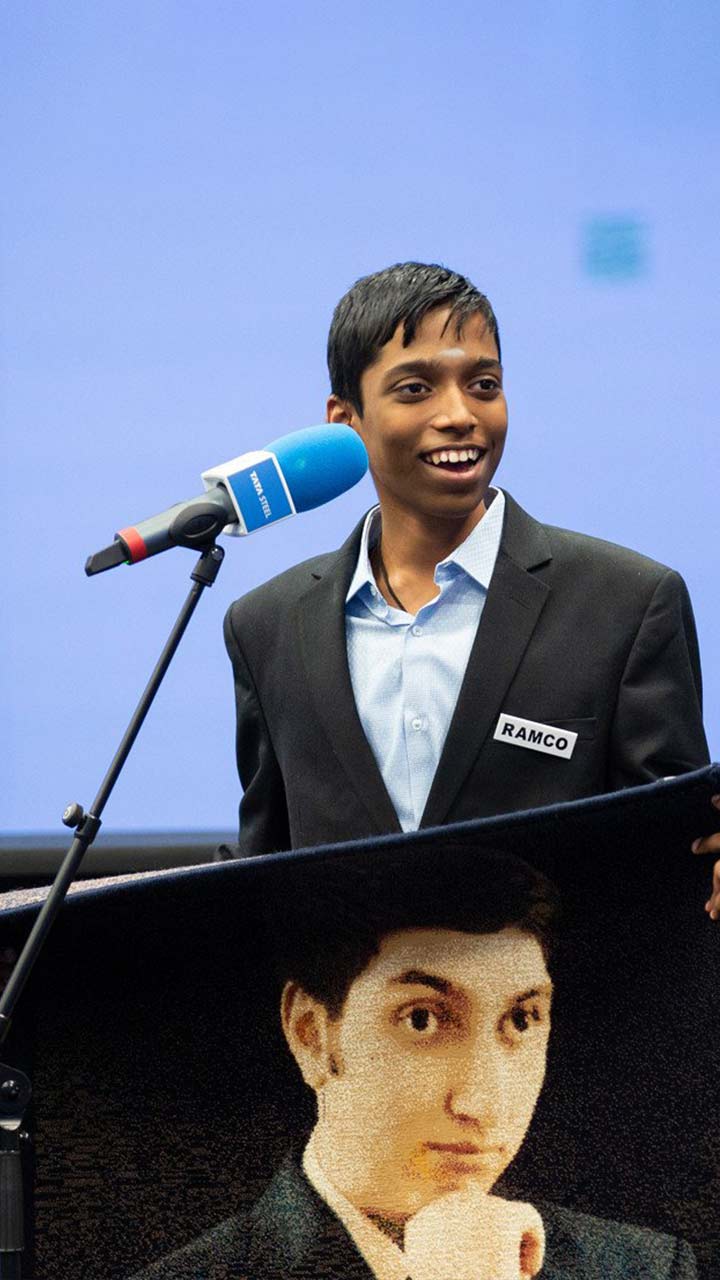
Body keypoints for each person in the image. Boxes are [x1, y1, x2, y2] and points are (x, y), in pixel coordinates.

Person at [221, 262, 720, 910]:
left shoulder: (626, 604)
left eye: (483, 384)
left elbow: (681, 865)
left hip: (558, 1007)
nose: (459, 414)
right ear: (346, 422)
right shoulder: (269, 627)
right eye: (416, 388)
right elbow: (265, 878)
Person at [129, 850, 698, 1278]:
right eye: (423, 1019)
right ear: (311, 1034)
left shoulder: (642, 1268)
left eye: (521, 1020)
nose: (481, 1104)